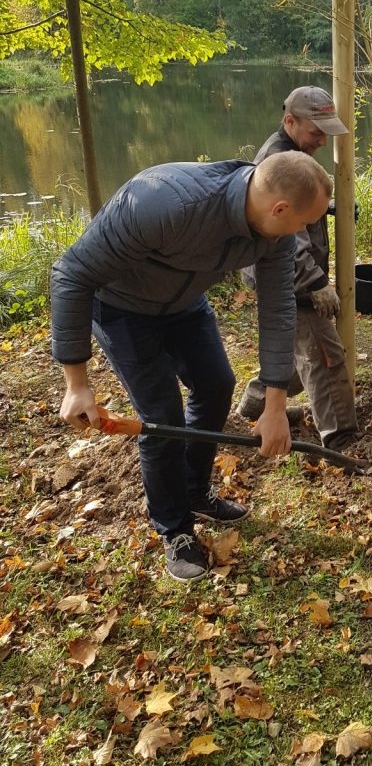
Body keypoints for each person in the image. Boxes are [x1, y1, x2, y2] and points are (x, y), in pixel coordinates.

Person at [51, 152, 332, 582]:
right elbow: (72, 274)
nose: (300, 234)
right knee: (162, 418)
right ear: (279, 209)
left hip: (184, 305)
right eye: (301, 223)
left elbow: (278, 308)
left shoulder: (274, 235)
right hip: (122, 309)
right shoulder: (163, 203)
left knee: (217, 384)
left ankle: (195, 491)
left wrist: (275, 403)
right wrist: (76, 382)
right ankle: (175, 528)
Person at [236, 86, 359, 451]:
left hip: (291, 274)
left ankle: (258, 404)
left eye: (326, 132)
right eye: (315, 132)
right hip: (290, 277)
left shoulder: (292, 153)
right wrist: (316, 283)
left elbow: (301, 208)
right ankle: (342, 441)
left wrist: (329, 207)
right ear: (290, 121)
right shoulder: (278, 160)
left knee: (297, 352)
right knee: (324, 355)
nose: (321, 141)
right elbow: (290, 239)